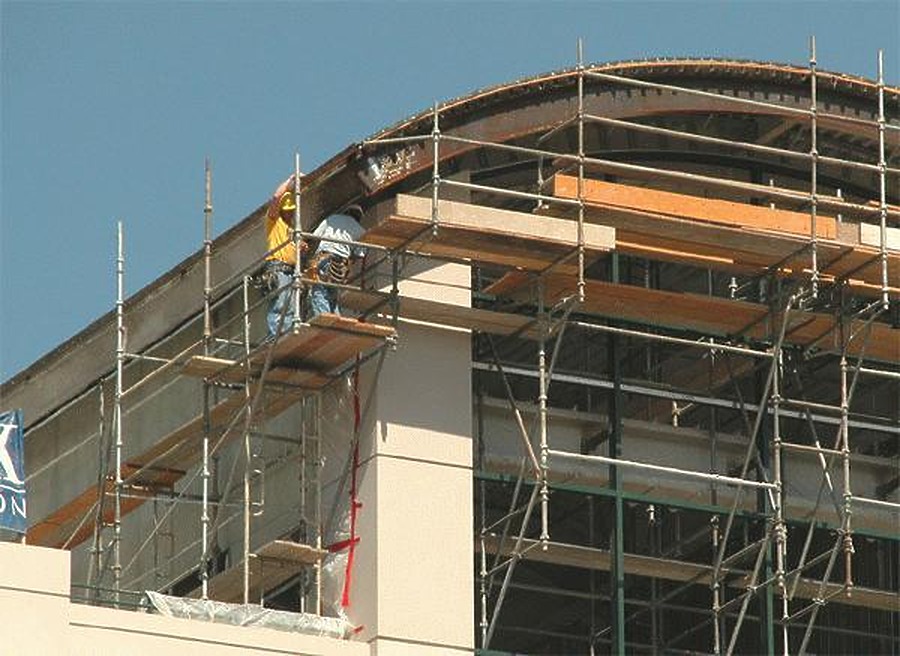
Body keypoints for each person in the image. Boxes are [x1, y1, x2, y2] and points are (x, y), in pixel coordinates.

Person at [307, 205, 366, 318]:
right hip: (340, 265)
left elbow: (314, 236)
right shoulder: (360, 230)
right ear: (359, 217)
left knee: (319, 292)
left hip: (325, 258)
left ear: (346, 212)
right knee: (332, 295)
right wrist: (348, 261)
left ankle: (325, 321)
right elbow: (360, 254)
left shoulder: (332, 219)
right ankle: (335, 320)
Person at [263, 175, 301, 337]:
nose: (289, 213)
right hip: (278, 268)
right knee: (279, 305)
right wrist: (290, 182)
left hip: (290, 270)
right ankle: (275, 338)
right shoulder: (274, 221)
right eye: (287, 210)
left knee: (291, 309)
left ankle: (286, 336)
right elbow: (276, 197)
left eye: (291, 210)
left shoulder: (290, 229)